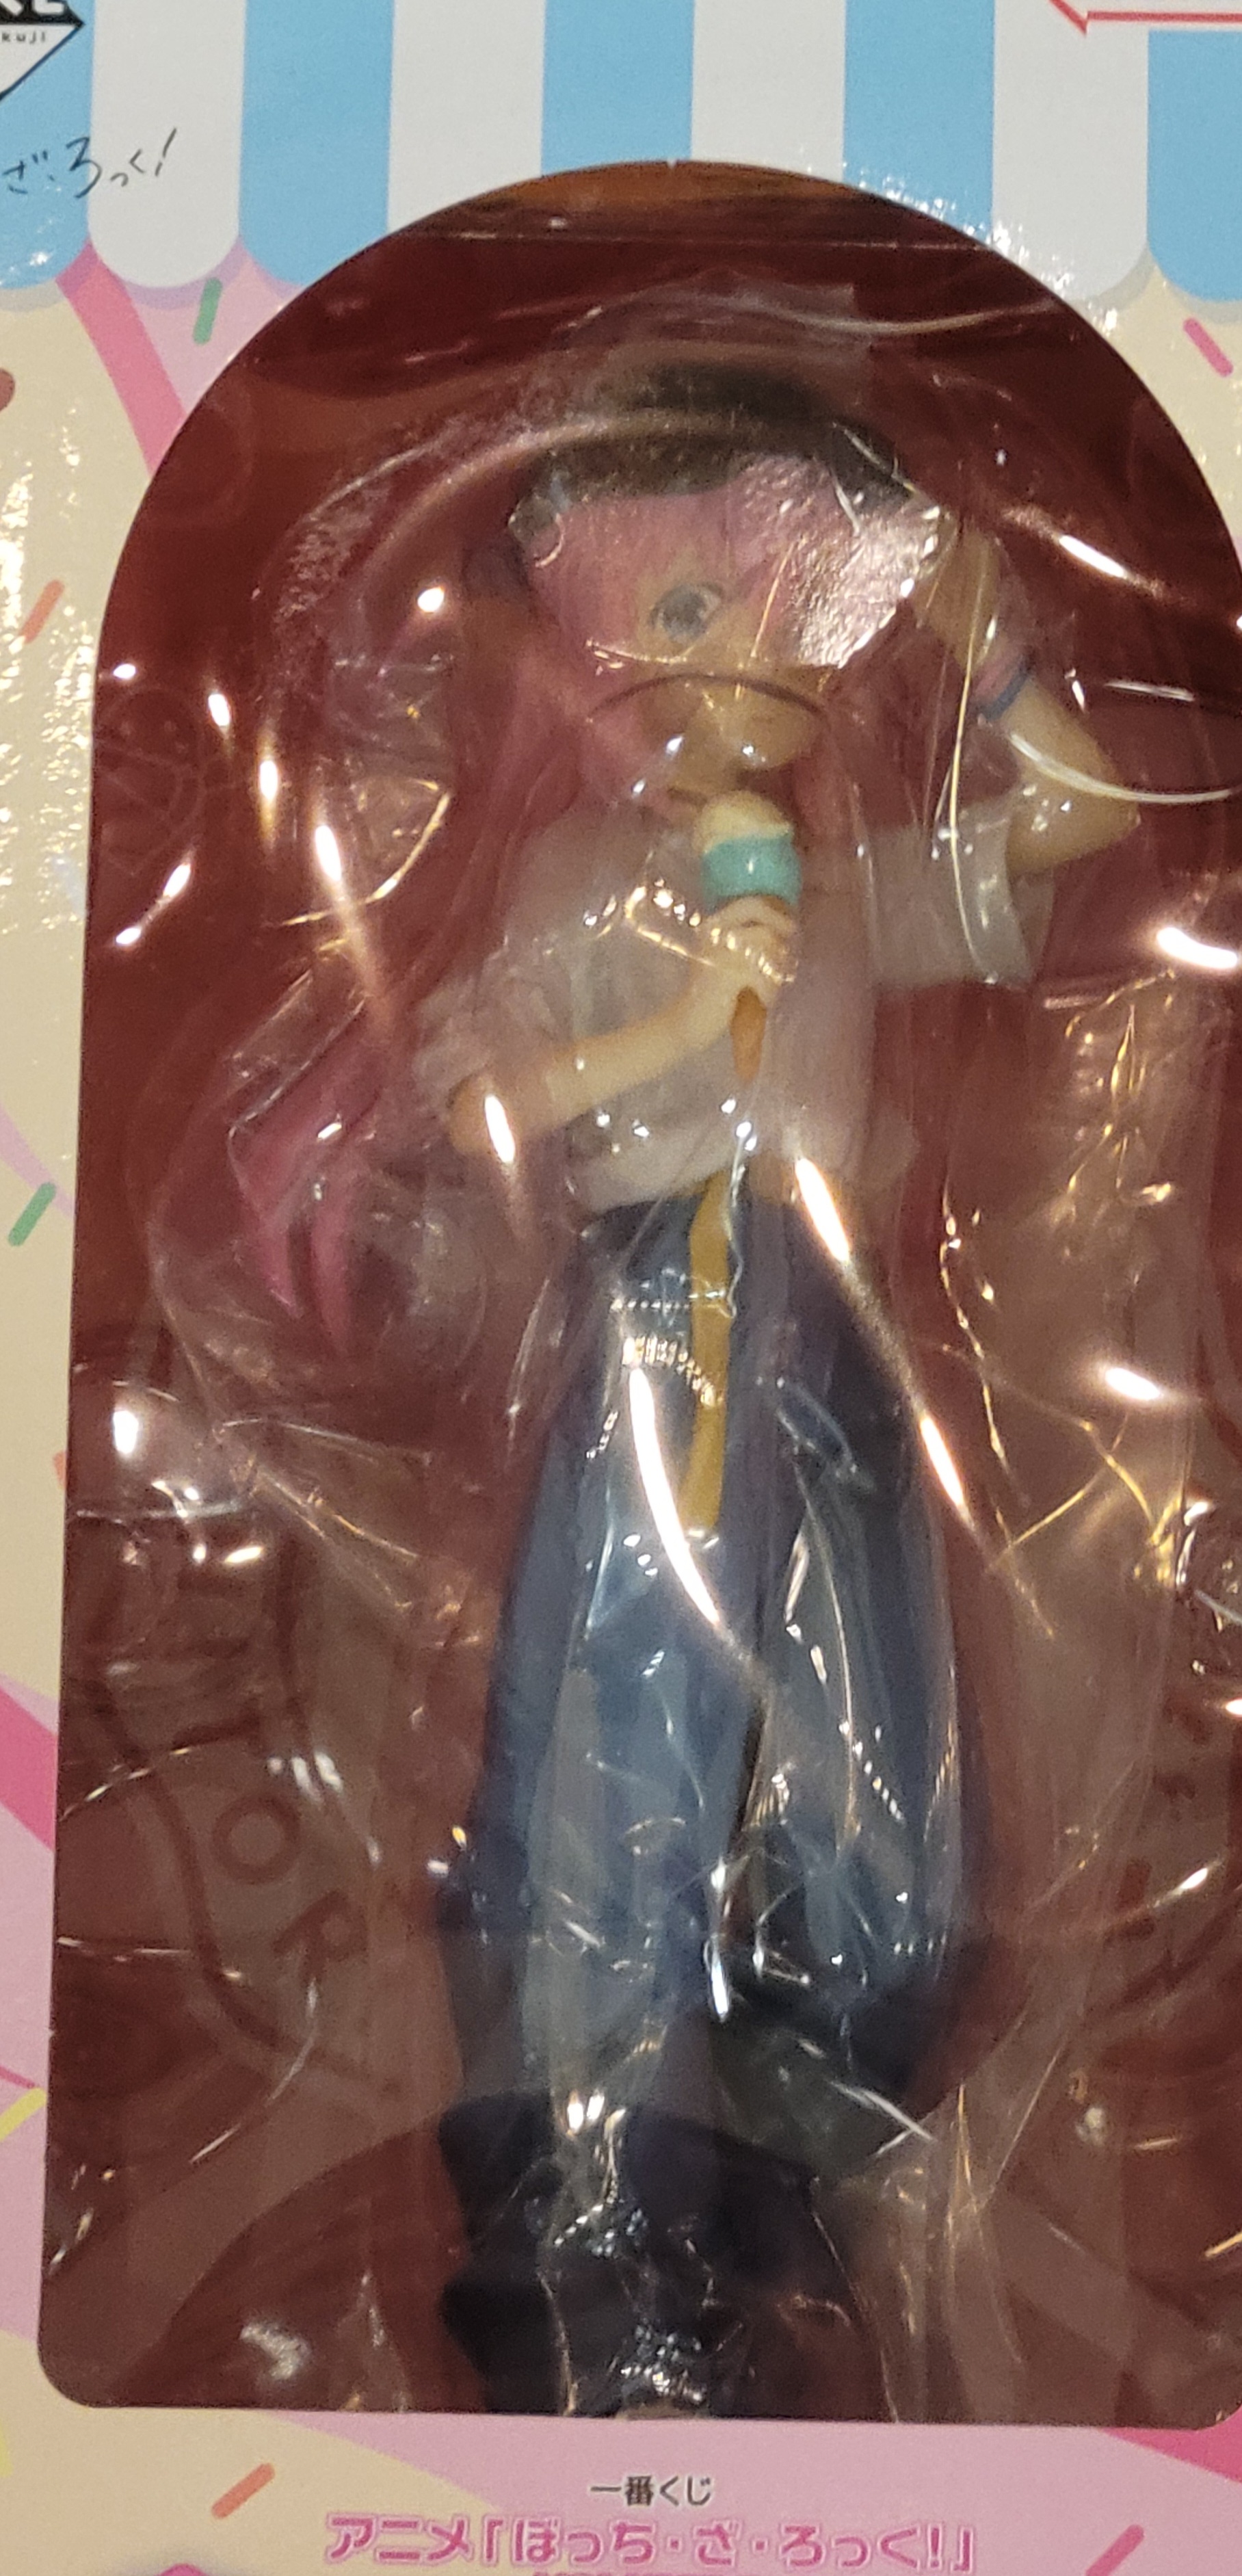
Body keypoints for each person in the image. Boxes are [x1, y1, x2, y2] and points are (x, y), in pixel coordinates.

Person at [412, 360, 1136, 2418]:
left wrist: (984, 633)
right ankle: (594, 2244)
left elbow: (1079, 821)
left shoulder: (821, 885)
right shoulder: (590, 879)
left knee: (880, 1767)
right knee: (622, 1754)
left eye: (782, 609)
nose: (737, 661)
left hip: (823, 1331)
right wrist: (687, 1025)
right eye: (676, 613)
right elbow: (479, 1095)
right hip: (667, 1309)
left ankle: (788, 2175)